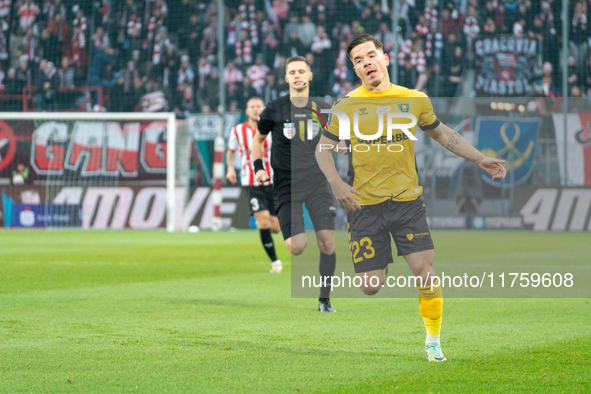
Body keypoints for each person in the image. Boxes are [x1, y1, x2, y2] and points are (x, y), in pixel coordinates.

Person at [315, 34, 507, 360]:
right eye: (359, 60)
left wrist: (480, 159)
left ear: (385, 58)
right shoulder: (344, 106)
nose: (367, 63)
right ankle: (379, 261)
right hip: (364, 204)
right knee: (370, 285)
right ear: (355, 70)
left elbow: (445, 134)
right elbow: (323, 149)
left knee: (425, 271)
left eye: (371, 55)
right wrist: (335, 183)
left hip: (407, 202)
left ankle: (433, 341)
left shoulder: (414, 99)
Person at [252, 56, 338, 312]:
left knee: (328, 241)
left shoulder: (323, 108)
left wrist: (340, 145)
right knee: (297, 247)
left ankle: (324, 299)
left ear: (310, 76)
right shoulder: (274, 109)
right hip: (286, 184)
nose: (298, 75)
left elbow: (335, 141)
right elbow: (257, 141)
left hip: (317, 182)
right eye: (293, 72)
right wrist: (258, 168)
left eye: (302, 71)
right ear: (287, 78)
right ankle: (292, 232)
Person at [226, 97, 282, 273]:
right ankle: (275, 262)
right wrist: (230, 168)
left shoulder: (272, 129)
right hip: (251, 182)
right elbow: (231, 151)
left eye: (259, 106)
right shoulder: (237, 131)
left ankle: (266, 223)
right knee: (264, 221)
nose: (256, 109)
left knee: (275, 227)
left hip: (273, 181)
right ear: (247, 111)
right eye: (252, 107)